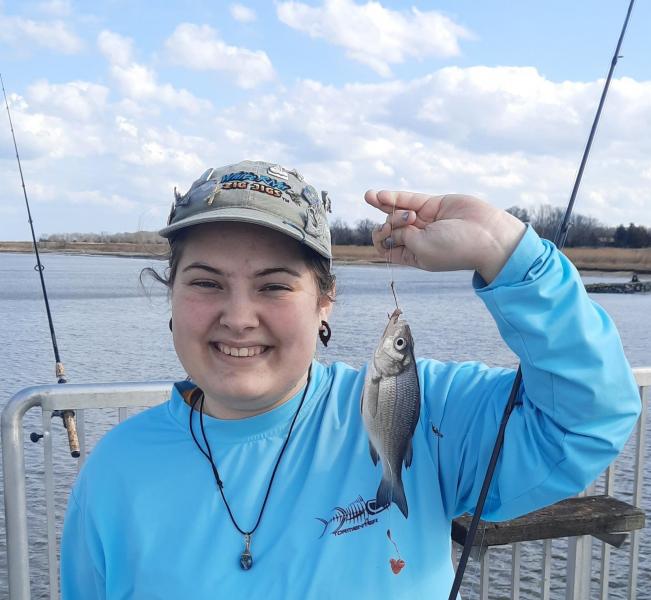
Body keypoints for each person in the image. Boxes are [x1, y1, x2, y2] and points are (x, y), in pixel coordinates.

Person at [60, 160, 640, 599]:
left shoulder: (430, 413)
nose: (238, 316)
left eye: (275, 285)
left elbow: (588, 418)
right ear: (172, 292)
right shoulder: (115, 470)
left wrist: (506, 253)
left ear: (325, 302)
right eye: (206, 282)